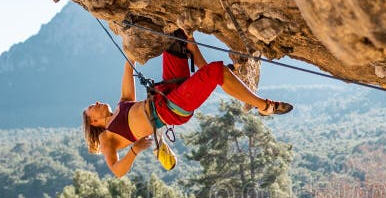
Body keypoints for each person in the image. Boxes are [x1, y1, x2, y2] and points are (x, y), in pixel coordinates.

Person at [82, 30, 293, 177]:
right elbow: (118, 171)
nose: (97, 102)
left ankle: (195, 53)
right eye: (92, 107)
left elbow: (128, 67)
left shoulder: (121, 105)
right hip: (170, 110)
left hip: (167, 93)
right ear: (94, 122)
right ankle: (264, 106)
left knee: (174, 39)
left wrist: (128, 38)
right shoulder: (106, 137)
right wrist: (135, 150)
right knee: (216, 71)